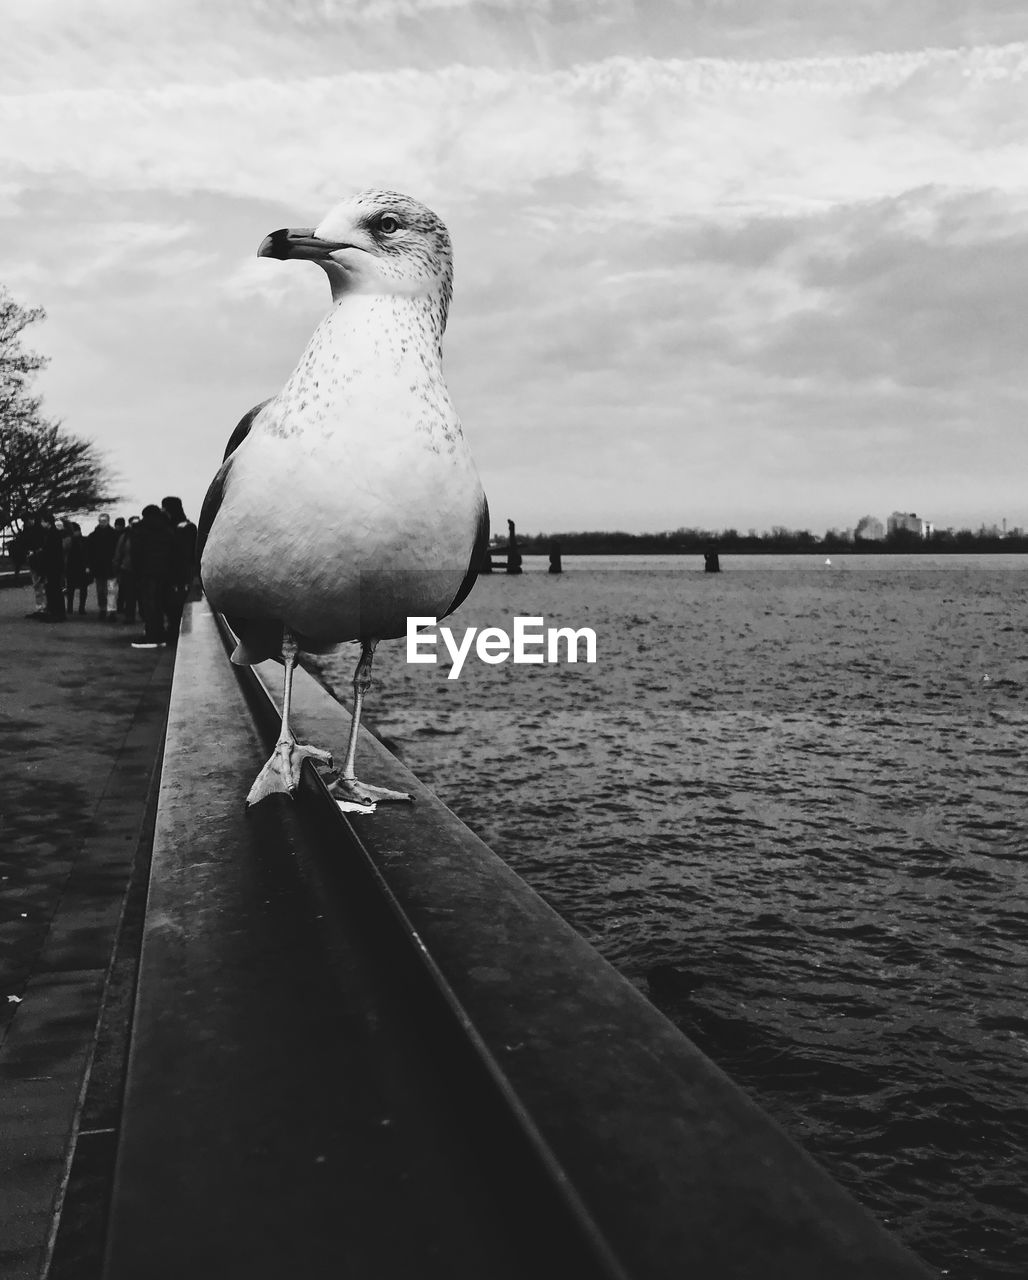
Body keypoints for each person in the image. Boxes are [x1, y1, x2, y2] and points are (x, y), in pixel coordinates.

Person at [131, 504, 176, 648]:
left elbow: (136, 555)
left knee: (149, 605)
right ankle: (161, 633)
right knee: (161, 604)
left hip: (146, 573)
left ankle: (152, 635)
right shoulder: (168, 529)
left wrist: (137, 573)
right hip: (166, 573)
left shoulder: (140, 530)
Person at [161, 495, 198, 641]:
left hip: (178, 572)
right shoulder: (187, 526)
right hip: (179, 571)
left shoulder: (179, 527)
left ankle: (176, 631)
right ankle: (177, 630)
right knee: (175, 603)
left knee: (176, 603)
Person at [32, 511, 66, 621]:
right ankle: (55, 612)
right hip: (53, 566)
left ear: (48, 522)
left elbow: (52, 552)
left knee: (54, 590)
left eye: (43, 521)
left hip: (53, 566)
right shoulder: (51, 533)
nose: (41, 523)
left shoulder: (52, 534)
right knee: (52, 590)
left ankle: (57, 613)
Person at [86, 513, 118, 618]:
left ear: (108, 521)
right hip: (99, 567)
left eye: (104, 521)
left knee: (111, 590)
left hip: (110, 566)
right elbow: (89, 553)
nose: (102, 523)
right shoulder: (94, 536)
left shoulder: (114, 535)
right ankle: (103, 609)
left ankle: (111, 610)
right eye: (101, 521)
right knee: (101, 591)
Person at [112, 516, 139, 624]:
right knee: (129, 594)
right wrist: (117, 566)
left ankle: (138, 614)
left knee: (138, 595)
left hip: (139, 569)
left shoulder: (141, 535)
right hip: (128, 568)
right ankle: (129, 616)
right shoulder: (125, 536)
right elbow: (119, 552)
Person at [63, 521, 90, 614]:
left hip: (73, 567)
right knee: (81, 589)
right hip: (79, 567)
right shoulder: (84, 540)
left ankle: (71, 608)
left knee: (71, 589)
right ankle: (80, 608)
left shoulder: (69, 540)